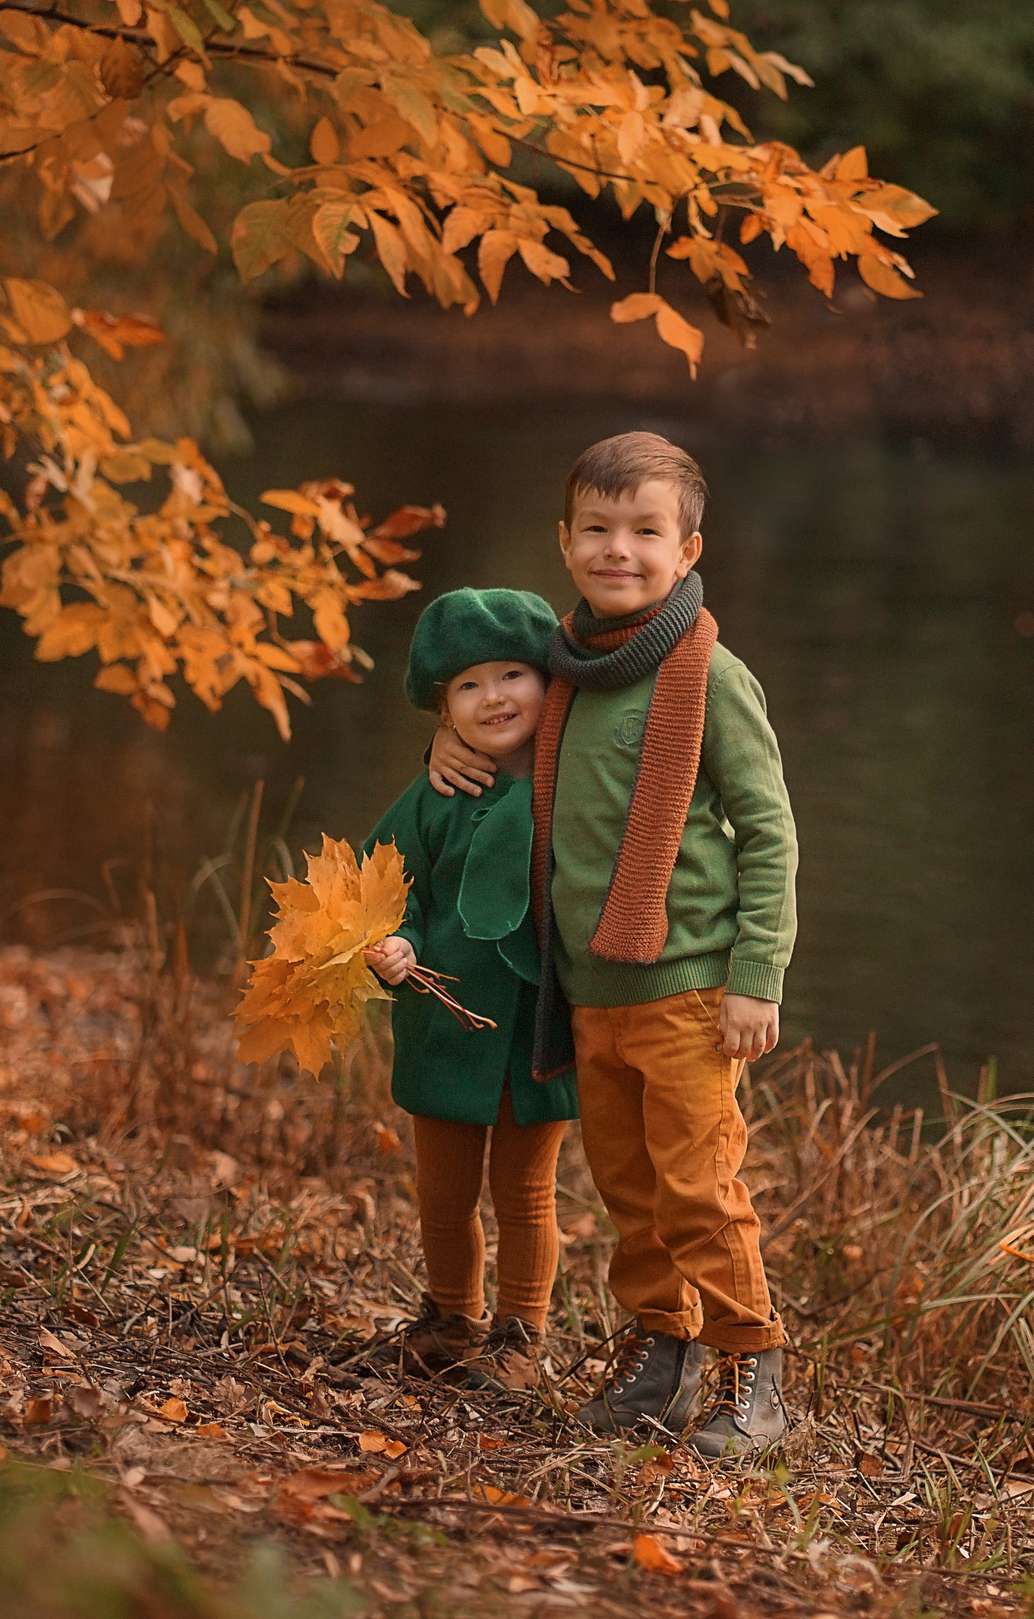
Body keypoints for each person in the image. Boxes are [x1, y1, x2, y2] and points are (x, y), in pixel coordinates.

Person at [429, 432, 798, 1457]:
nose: (617, 549)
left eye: (644, 531)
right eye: (597, 529)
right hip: (592, 988)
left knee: (698, 1185)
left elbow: (769, 830)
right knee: (631, 1189)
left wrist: (754, 976)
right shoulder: (565, 668)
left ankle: (752, 1376)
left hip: (686, 988)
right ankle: (664, 1357)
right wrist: (445, 736)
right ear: (564, 541)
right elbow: (489, 711)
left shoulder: (708, 676)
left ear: (687, 549)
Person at [364, 587, 578, 1390]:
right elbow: (390, 884)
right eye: (467, 685)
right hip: (442, 1023)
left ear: (549, 681)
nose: (494, 697)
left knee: (526, 1191)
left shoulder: (572, 782)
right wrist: (397, 942)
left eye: (512, 674)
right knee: (444, 1192)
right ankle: (451, 1316)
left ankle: (522, 1331)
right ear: (441, 708)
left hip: (537, 1025)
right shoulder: (437, 794)